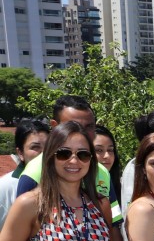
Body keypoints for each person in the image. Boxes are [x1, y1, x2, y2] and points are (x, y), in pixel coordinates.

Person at [0, 121, 129, 241]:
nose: (74, 160)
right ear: (50, 156)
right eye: (64, 153)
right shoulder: (30, 204)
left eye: (82, 154)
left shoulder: (100, 203)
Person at [15, 96, 125, 232]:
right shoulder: (33, 175)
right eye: (73, 126)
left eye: (89, 126)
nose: (82, 133)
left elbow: (113, 228)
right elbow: (21, 240)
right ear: (55, 126)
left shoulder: (102, 171)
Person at [0, 118, 49, 228]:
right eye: (35, 147)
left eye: (49, 147)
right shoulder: (4, 188)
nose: (44, 153)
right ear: (20, 153)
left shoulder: (66, 185)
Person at [93, 126, 123, 204]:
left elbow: (116, 216)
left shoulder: (117, 186)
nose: (107, 156)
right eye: (99, 150)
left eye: (110, 150)